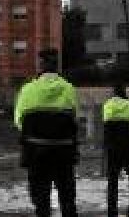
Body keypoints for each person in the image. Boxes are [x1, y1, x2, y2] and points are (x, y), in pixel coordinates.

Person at [14, 49, 80, 217]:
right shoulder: (69, 89)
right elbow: (75, 119)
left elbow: (19, 121)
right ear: (56, 67)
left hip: (36, 153)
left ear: (40, 66)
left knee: (41, 200)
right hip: (63, 153)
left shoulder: (27, 90)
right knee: (67, 198)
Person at [102, 84, 129, 217]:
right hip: (128, 146)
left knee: (112, 179)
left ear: (114, 93)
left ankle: (112, 210)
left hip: (113, 147)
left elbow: (106, 123)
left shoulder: (108, 105)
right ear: (125, 93)